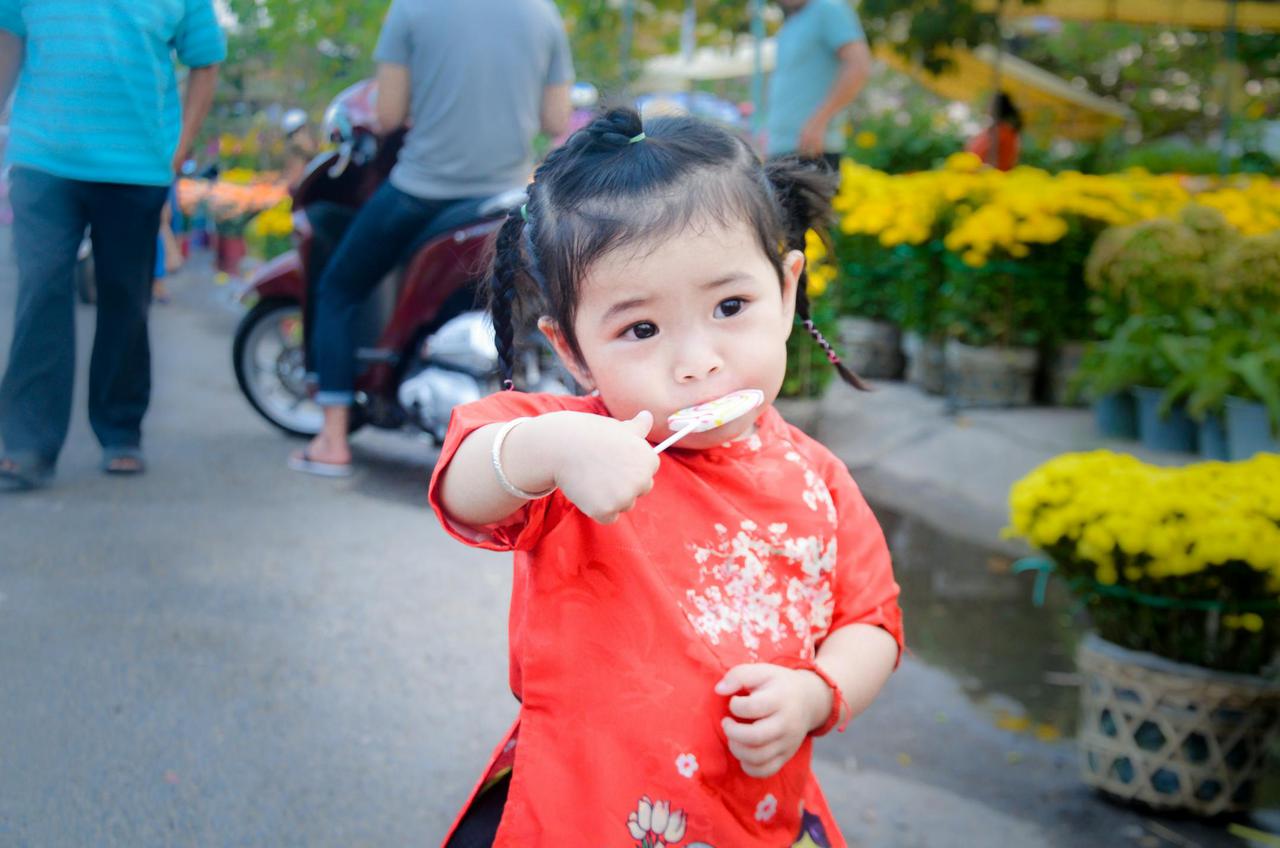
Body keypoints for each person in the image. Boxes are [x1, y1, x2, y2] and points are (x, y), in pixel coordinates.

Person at [429, 108, 904, 847]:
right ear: (576, 351)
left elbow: (870, 623)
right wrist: (550, 448)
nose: (696, 361)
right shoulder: (573, 448)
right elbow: (463, 488)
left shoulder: (820, 481)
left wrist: (816, 693)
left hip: (756, 818)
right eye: (640, 330)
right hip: (580, 812)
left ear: (786, 291)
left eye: (730, 306)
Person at [289, 0, 573, 477]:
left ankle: (333, 439)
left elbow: (388, 115)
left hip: (420, 191)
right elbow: (556, 119)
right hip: (503, 195)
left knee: (338, 288)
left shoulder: (411, 9)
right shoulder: (543, 13)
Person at [0, 0, 224, 490]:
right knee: (40, 290)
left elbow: (204, 60)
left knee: (125, 297)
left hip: (137, 165)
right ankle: (26, 444)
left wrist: (180, 149)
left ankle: (120, 428)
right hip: (43, 157)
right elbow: (9, 41)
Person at [766, 0, 872, 172]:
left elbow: (859, 66)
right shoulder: (791, 21)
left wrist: (819, 120)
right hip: (780, 150)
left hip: (810, 149)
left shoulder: (828, 9)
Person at [966, 91, 1022, 172]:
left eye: (990, 104)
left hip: (986, 178)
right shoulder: (993, 129)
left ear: (997, 108)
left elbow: (1002, 164)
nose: (987, 107)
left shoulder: (1005, 133)